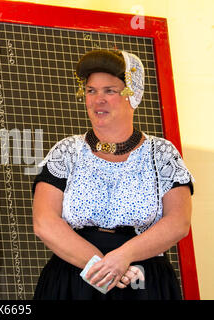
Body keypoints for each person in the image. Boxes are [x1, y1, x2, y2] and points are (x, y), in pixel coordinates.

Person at [31, 49, 194, 300]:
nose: (98, 100)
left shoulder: (161, 153)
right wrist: (104, 265)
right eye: (91, 91)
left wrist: (123, 257)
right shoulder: (66, 151)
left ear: (133, 95)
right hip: (75, 281)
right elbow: (45, 223)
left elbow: (178, 222)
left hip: (143, 282)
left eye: (109, 91)